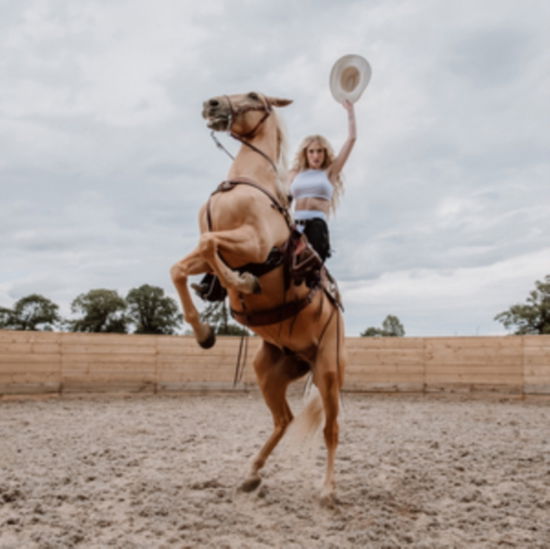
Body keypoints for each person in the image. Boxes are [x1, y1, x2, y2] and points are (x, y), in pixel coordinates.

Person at [288, 99, 356, 262]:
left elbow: (352, 139)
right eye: (311, 151)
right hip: (294, 226)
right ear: (305, 153)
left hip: (316, 226)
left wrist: (350, 111)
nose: (316, 156)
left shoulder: (330, 172)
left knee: (309, 267)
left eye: (319, 151)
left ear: (325, 153)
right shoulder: (293, 173)